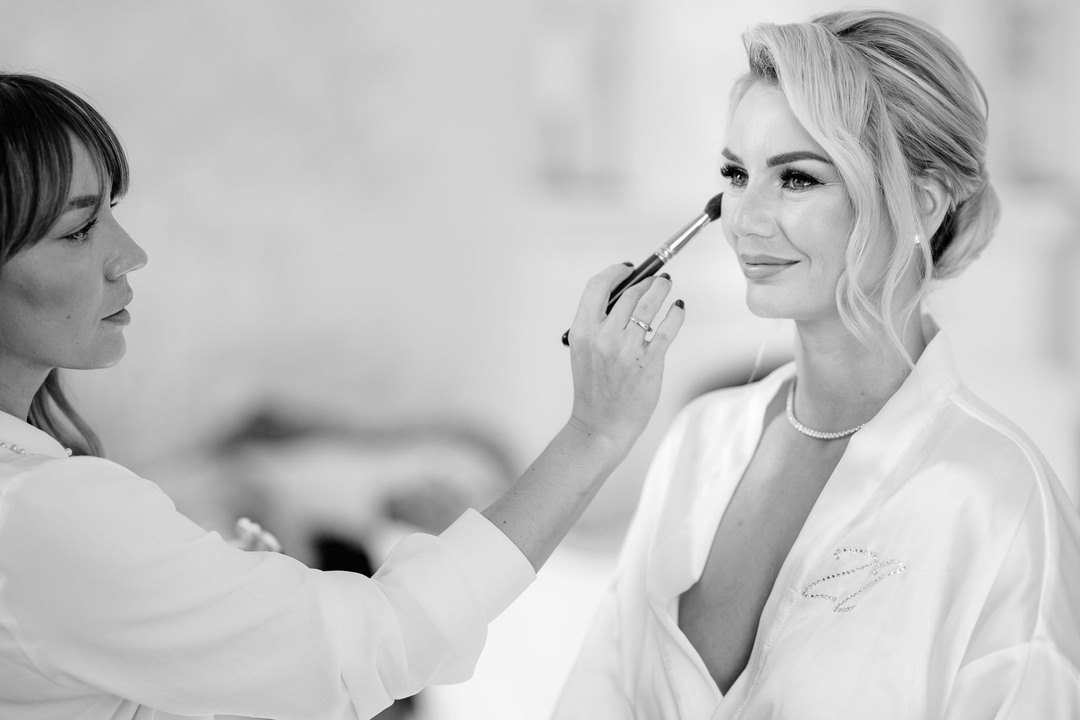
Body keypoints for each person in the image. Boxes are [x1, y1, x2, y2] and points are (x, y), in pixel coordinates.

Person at [0, 72, 686, 720]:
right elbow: (380, 645)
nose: (130, 254)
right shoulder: (43, 511)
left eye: (111, 211)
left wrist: (213, 625)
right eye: (79, 229)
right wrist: (593, 433)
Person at [553, 9, 1080, 719]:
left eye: (797, 180)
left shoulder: (1000, 504)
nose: (746, 219)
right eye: (737, 174)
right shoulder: (696, 443)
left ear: (921, 203)